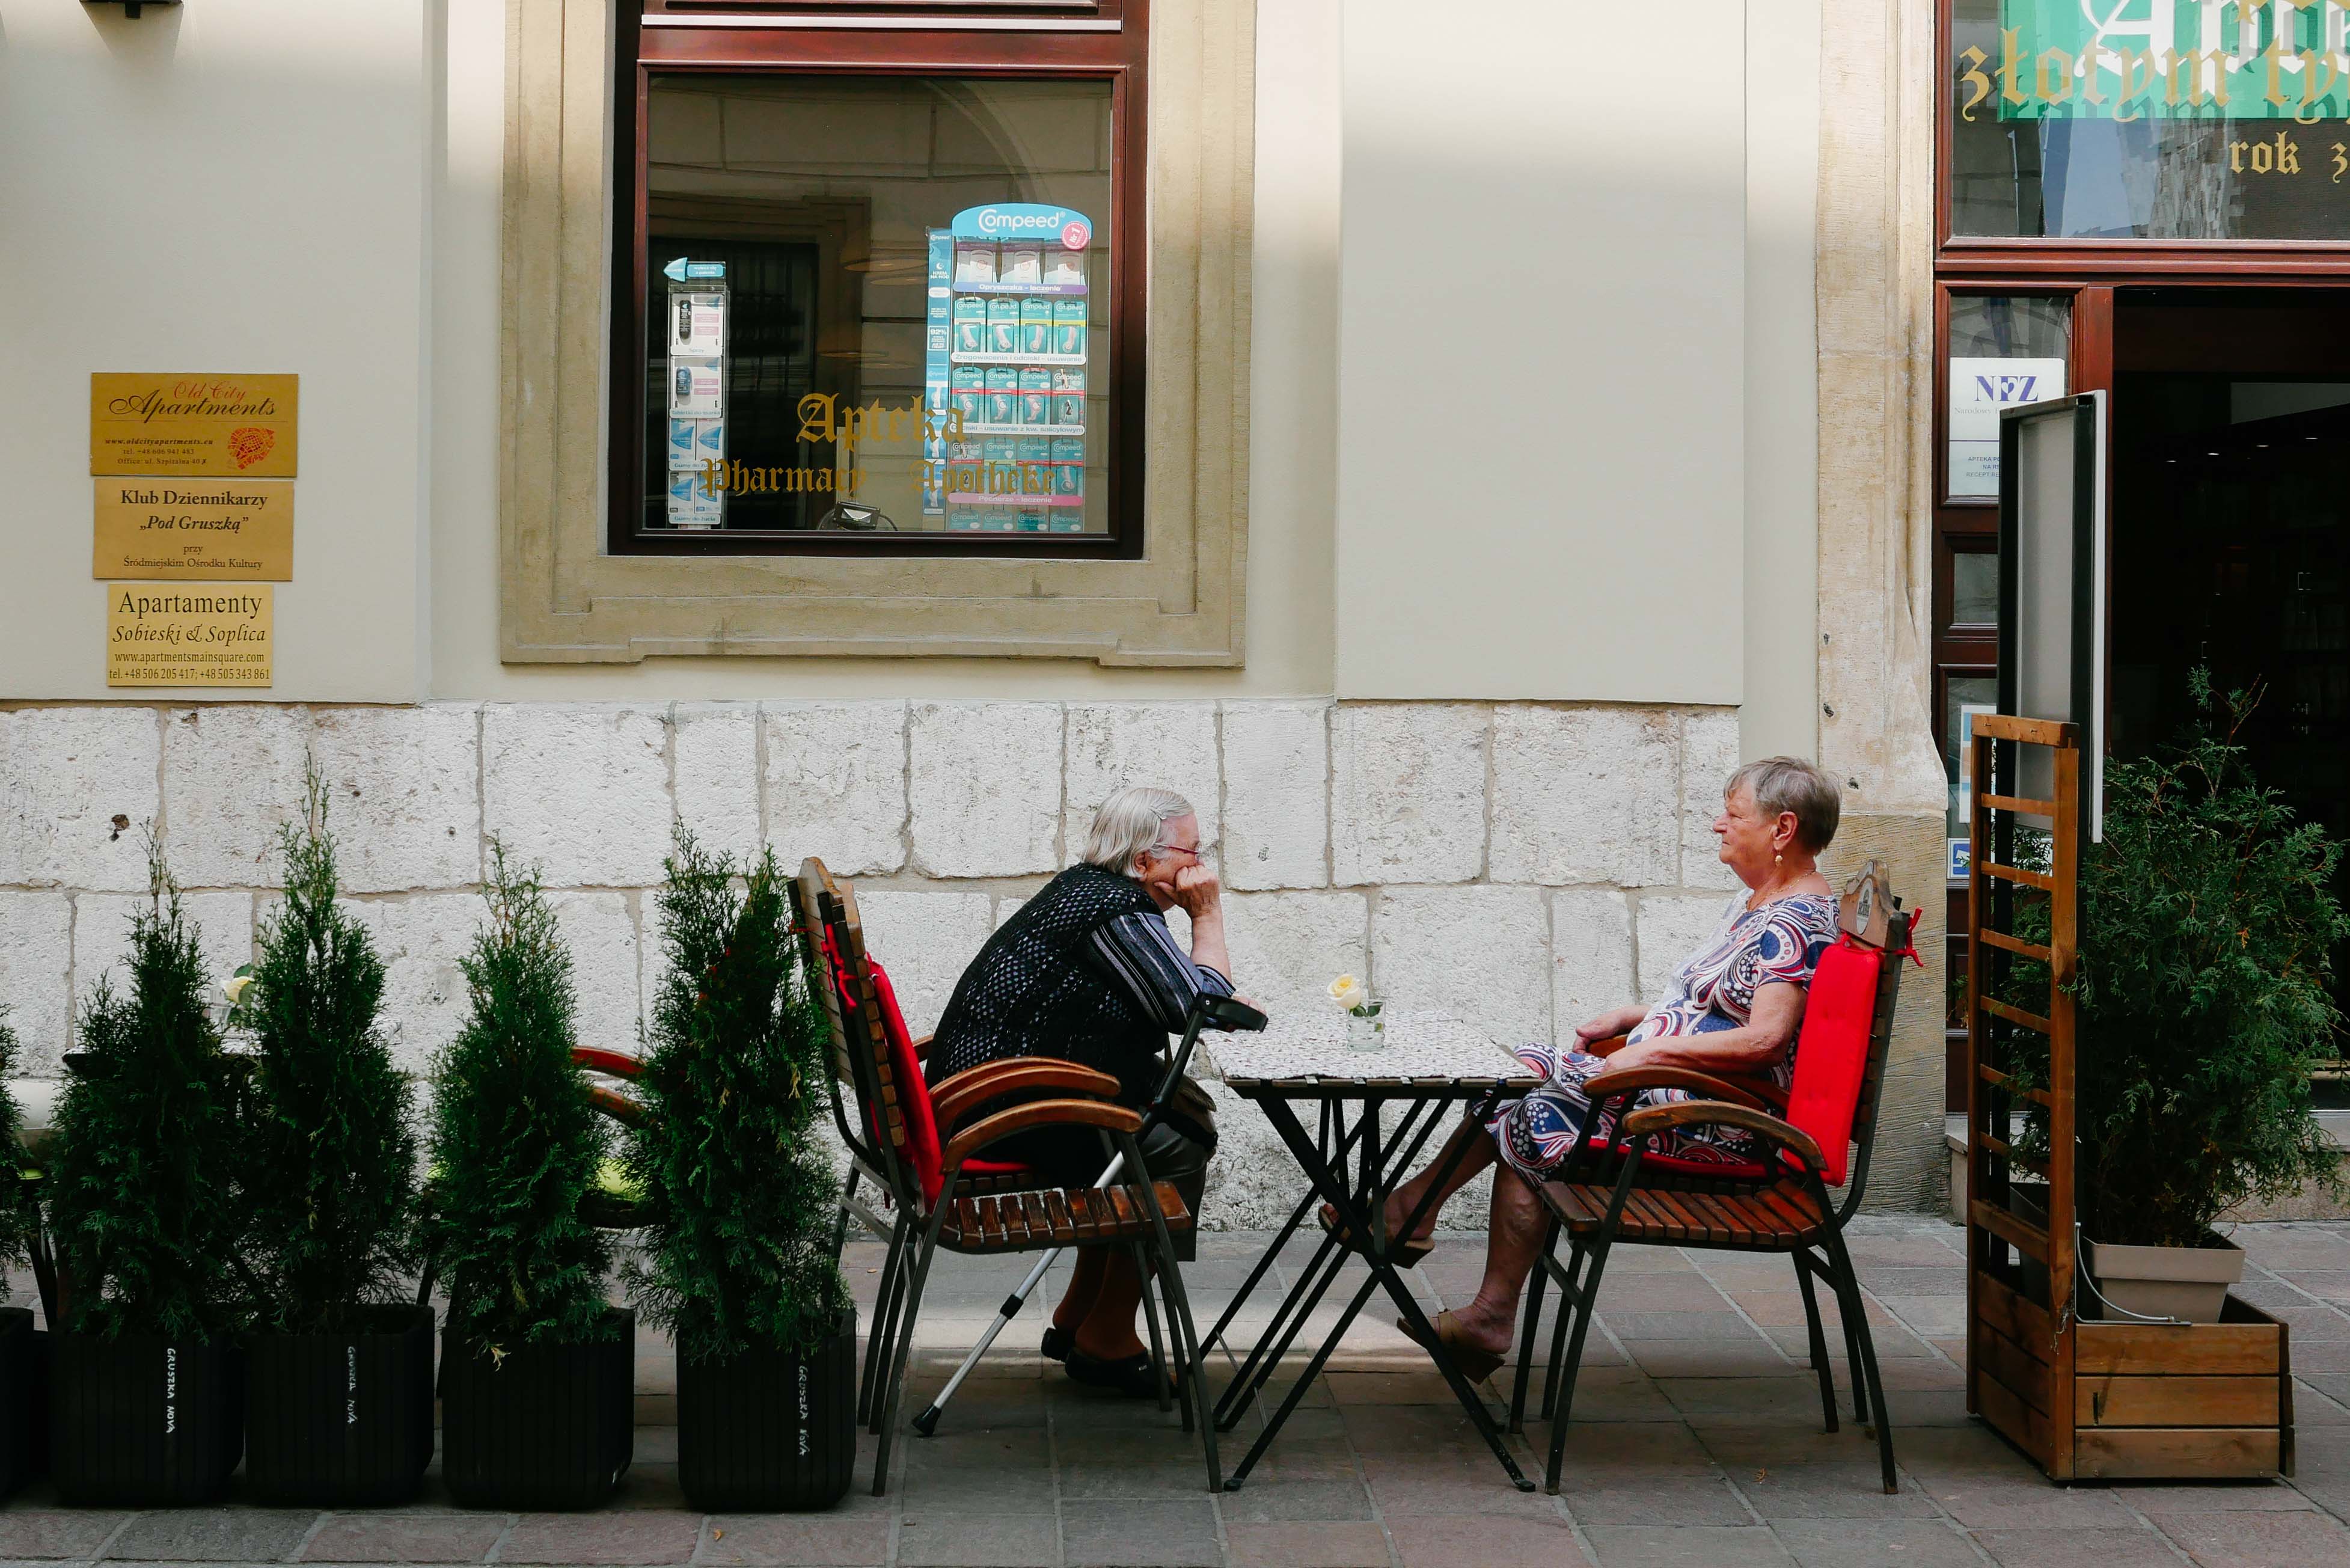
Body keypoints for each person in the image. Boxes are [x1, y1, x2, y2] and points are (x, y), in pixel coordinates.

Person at [1333, 756, 1846, 1380]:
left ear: (1782, 829)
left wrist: (1651, 1050)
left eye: (1733, 814)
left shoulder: (1795, 921)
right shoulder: (1761, 902)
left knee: (1537, 1108)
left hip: (1720, 1124)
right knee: (1516, 1071)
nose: (1717, 825)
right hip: (1671, 1091)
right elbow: (1711, 1007)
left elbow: (1764, 1039)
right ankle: (1425, 1227)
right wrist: (1635, 1016)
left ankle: (1434, 1246)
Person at [927, 785, 1238, 1395]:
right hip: (1005, 1106)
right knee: (1174, 1144)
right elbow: (1197, 1007)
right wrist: (1207, 915)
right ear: (1145, 860)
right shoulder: (1116, 908)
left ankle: (1079, 1315)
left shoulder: (1089, 891)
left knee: (1166, 1115)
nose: (1202, 869)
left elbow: (1176, 995)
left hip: (996, 1093)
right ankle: (1107, 1336)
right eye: (1192, 853)